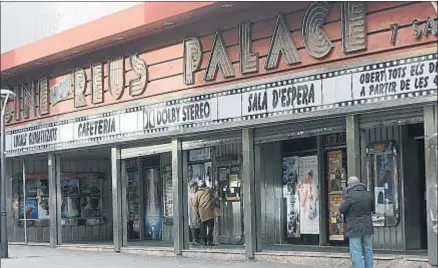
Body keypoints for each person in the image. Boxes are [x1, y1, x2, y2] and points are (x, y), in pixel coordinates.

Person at [339, 176, 375, 268]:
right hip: (367, 226)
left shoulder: (349, 196)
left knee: (356, 251)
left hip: (354, 227)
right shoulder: (368, 194)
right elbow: (372, 208)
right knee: (368, 250)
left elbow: (342, 209)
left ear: (350, 185)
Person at [189, 180, 220, 246]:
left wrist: (197, 211)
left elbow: (195, 203)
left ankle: (204, 241)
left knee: (203, 226)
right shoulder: (209, 191)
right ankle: (210, 241)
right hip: (210, 211)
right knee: (211, 226)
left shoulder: (197, 193)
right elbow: (214, 199)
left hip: (202, 212)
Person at [188, 180, 202, 245]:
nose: (196, 188)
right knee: (195, 224)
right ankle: (195, 239)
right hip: (194, 211)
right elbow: (194, 204)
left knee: (193, 224)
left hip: (192, 211)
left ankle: (194, 239)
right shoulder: (193, 194)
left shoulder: (190, 194)